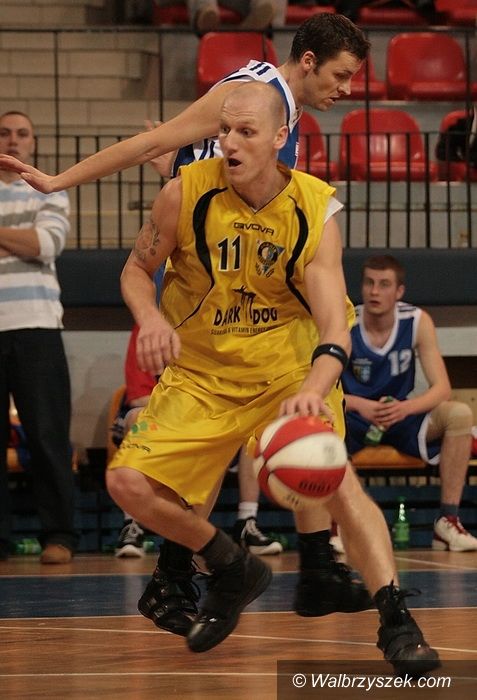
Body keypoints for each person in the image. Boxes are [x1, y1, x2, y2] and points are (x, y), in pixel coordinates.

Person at [0, 10, 373, 634]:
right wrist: (57, 180)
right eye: (341, 74)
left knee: (281, 413)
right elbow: (151, 143)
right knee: (230, 430)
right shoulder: (249, 92)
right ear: (308, 61)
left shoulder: (278, 106)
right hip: (208, 283)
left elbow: (184, 156)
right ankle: (230, 571)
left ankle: (273, 570)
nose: (347, 89)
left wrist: (179, 167)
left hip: (243, 275)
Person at [106, 82, 440, 673]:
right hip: (202, 374)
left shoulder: (314, 207)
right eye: (224, 130)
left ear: (281, 137)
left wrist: (313, 389)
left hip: (288, 372)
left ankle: (396, 621)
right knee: (126, 483)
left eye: (246, 132)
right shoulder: (184, 192)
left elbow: (334, 325)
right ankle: (232, 565)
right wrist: (150, 316)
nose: (229, 143)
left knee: (341, 484)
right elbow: (136, 268)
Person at [342, 254, 477, 552]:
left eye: (384, 284)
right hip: (356, 417)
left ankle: (447, 521)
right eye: (369, 283)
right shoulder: (346, 321)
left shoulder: (417, 321)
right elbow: (326, 388)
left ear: (399, 291)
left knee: (459, 414)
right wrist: (360, 404)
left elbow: (442, 388)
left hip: (400, 415)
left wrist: (404, 408)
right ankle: (336, 527)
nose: (374, 291)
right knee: (325, 420)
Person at [113, 324, 284, 557]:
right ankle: (133, 525)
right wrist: (183, 414)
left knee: (251, 424)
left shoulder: (220, 327)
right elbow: (139, 397)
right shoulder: (148, 326)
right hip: (164, 413)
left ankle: (247, 521)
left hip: (212, 413)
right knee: (135, 418)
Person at [0, 111, 76, 564]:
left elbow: (48, 244)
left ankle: (60, 535)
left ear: (33, 143)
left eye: (22, 133)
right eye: (5, 133)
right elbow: (30, 242)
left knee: (47, 435)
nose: (13, 140)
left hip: (37, 323)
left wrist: (15, 239)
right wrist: (19, 238)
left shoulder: (49, 188)